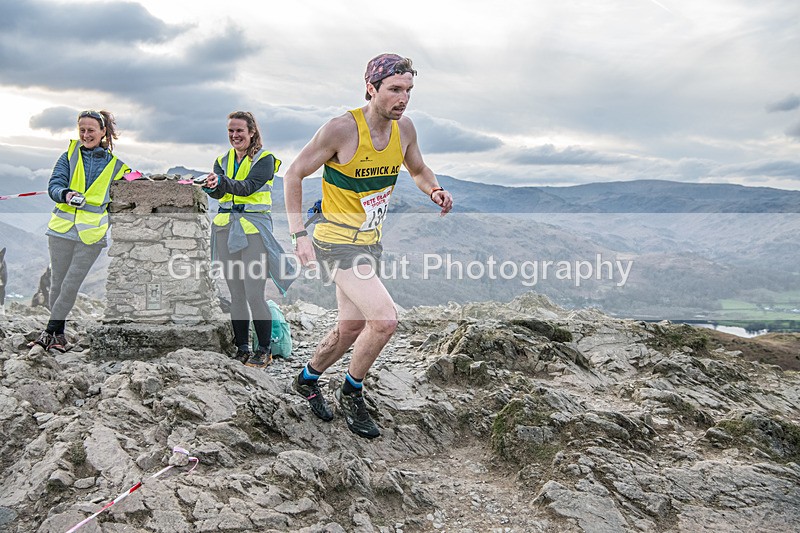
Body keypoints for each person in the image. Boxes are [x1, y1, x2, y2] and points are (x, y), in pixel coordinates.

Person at [284, 53, 454, 439]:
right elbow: (293, 173)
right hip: (335, 242)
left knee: (351, 327)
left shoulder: (404, 129)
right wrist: (299, 236)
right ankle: (352, 390)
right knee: (385, 319)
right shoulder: (341, 130)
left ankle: (308, 379)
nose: (403, 98)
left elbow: (418, 169)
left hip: (369, 243)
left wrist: (435, 189)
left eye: (408, 90)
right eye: (395, 89)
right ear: (371, 88)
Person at [30, 110, 130, 351]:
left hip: (91, 235)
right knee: (57, 284)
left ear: (103, 132)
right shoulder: (68, 157)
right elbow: (54, 185)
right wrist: (65, 194)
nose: (86, 135)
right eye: (82, 130)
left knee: (70, 285)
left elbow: (137, 183)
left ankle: (48, 333)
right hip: (61, 230)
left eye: (91, 130)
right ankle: (59, 336)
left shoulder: (117, 167)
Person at [201, 111, 292, 368]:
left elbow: (248, 187)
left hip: (253, 230)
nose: (234, 135)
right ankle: (241, 347)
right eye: (230, 130)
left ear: (252, 132)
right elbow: (221, 193)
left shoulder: (265, 160)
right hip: (226, 229)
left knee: (254, 293)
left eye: (239, 130)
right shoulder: (222, 160)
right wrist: (211, 186)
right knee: (236, 293)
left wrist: (222, 182)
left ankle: (264, 349)